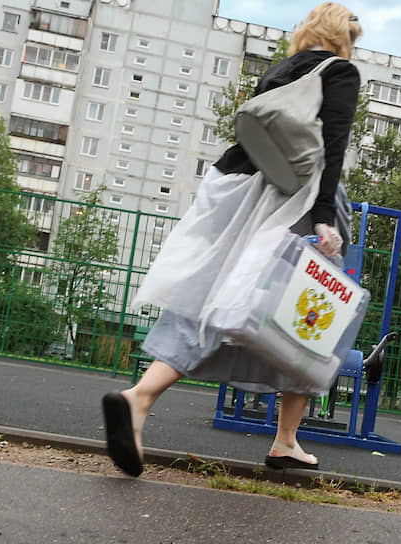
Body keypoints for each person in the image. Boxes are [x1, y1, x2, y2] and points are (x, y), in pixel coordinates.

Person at [102, 2, 363, 478]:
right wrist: (325, 214)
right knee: (308, 320)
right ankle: (280, 439)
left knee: (214, 300)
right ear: (342, 37)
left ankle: (145, 398)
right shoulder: (340, 72)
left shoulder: (280, 71)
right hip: (297, 202)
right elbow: (334, 144)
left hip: (240, 189)